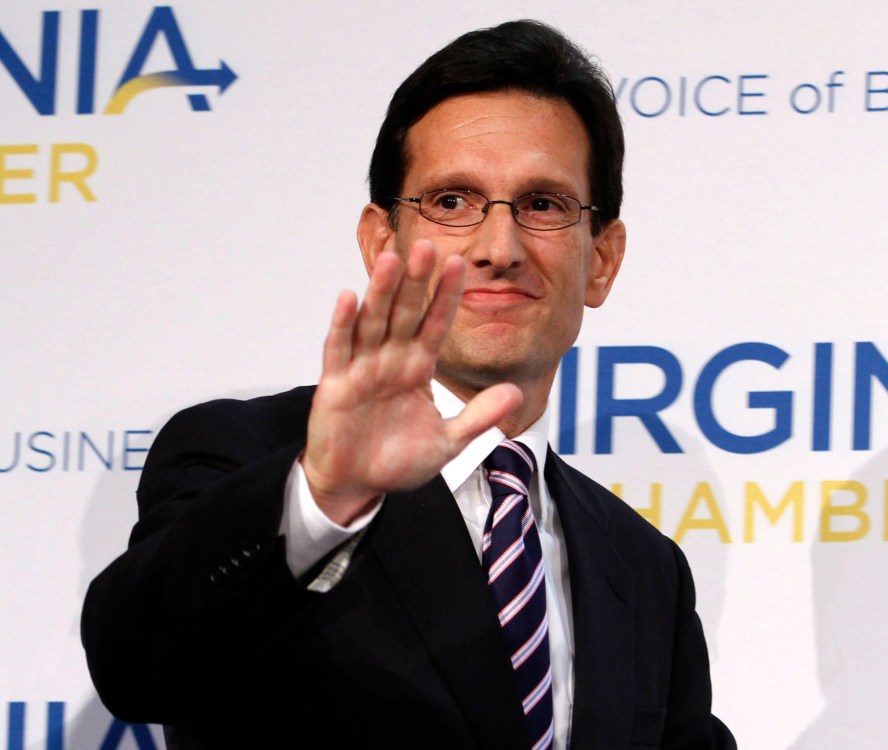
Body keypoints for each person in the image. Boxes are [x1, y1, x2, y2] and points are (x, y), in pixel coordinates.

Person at [82, 19, 736, 750]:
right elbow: (137, 667)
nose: (498, 248)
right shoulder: (251, 456)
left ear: (602, 260)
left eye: (543, 205)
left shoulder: (643, 568)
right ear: (380, 241)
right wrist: (324, 497)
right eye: (452, 201)